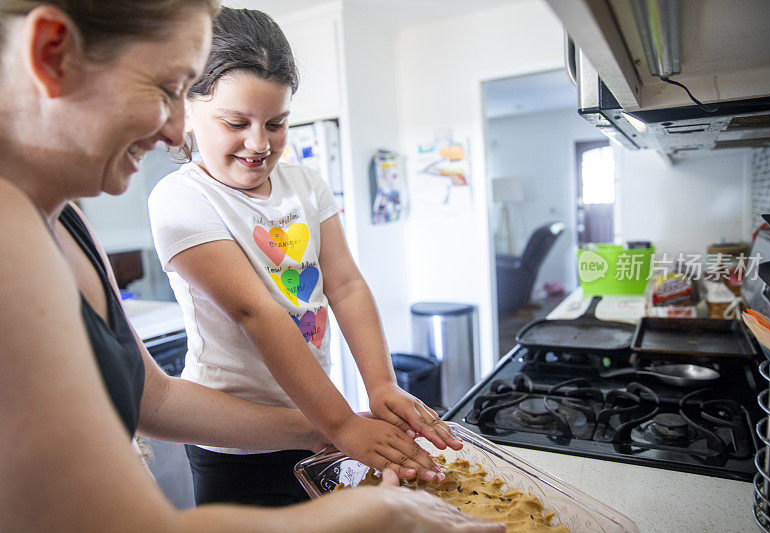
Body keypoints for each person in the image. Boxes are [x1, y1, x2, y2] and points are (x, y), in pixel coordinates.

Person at [0, 1, 505, 531]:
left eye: (276, 122)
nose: (174, 134)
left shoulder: (64, 220)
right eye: (167, 88)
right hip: (238, 459)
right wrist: (365, 497)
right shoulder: (46, 230)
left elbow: (156, 397)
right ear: (52, 53)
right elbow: (256, 314)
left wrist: (338, 419)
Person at [148, 6, 461, 507]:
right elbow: (257, 312)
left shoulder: (306, 184)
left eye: (276, 123)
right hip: (238, 442)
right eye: (235, 122)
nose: (258, 143)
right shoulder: (181, 198)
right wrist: (339, 422)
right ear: (189, 108)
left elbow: (346, 285)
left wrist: (379, 383)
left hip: (318, 421)